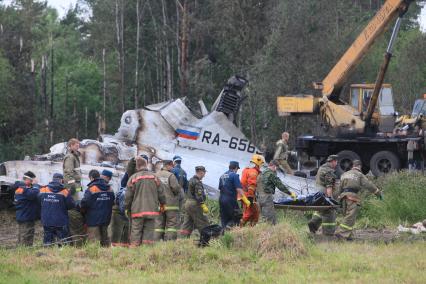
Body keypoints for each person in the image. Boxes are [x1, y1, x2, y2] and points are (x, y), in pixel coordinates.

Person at [335, 160, 381, 240]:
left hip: (343, 197)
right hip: (352, 197)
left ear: (353, 165)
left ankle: (348, 235)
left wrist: (335, 199)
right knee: (350, 216)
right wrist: (377, 192)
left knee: (346, 215)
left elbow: (339, 188)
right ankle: (341, 233)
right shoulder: (359, 174)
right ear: (359, 166)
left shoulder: (344, 174)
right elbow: (368, 184)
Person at [125, 157, 166, 247]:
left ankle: (134, 252)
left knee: (136, 231)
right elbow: (161, 193)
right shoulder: (154, 177)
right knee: (149, 232)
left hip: (137, 211)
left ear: (137, 167)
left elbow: (128, 196)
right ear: (146, 165)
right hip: (152, 210)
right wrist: (163, 204)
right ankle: (146, 252)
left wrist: (127, 208)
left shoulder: (133, 178)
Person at [81, 170, 115, 247]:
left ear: (91, 178)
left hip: (93, 220)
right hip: (106, 219)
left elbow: (84, 203)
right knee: (105, 243)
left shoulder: (92, 188)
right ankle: (107, 258)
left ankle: (94, 258)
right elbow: (112, 202)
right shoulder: (110, 188)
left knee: (94, 244)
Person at [39, 173, 75, 245]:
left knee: (48, 242)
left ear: (52, 179)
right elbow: (71, 205)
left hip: (47, 220)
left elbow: (39, 201)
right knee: (64, 242)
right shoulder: (65, 192)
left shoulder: (43, 190)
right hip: (60, 221)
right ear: (61, 180)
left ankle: (47, 254)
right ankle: (62, 254)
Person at [257, 160, 297, 225]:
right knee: (269, 218)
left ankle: (264, 230)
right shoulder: (271, 174)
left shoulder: (262, 173)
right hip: (267, 197)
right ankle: (269, 232)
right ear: (274, 166)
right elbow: (280, 186)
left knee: (263, 217)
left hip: (259, 197)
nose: (276, 170)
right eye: (276, 168)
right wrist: (290, 193)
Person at [307, 155, 338, 235]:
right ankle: (328, 232)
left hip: (317, 194)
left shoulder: (321, 168)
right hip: (324, 194)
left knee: (320, 210)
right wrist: (330, 199)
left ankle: (313, 223)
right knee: (330, 211)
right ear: (333, 161)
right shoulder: (329, 171)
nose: (337, 164)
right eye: (336, 162)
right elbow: (329, 186)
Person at [63, 138, 85, 245]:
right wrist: (70, 187)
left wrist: (78, 188)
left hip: (77, 186)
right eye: (76, 145)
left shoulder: (75, 156)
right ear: (71, 145)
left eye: (78, 145)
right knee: (73, 208)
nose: (78, 147)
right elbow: (68, 173)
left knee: (78, 201)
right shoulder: (70, 157)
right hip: (73, 187)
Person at [155, 160, 182, 241]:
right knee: (171, 224)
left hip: (159, 205)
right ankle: (169, 242)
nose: (173, 168)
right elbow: (176, 189)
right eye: (172, 166)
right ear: (168, 165)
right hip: (171, 205)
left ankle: (156, 241)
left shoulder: (155, 175)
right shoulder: (171, 175)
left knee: (158, 224)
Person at [180, 166, 210, 237]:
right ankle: (206, 239)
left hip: (187, 203)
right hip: (194, 204)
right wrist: (203, 205)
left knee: (187, 223)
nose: (204, 175)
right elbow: (199, 195)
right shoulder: (197, 182)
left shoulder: (191, 180)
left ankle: (182, 239)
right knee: (202, 222)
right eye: (204, 173)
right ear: (201, 172)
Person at [218, 161, 250, 229]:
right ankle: (230, 231)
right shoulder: (234, 175)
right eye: (237, 169)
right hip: (230, 200)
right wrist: (245, 200)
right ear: (235, 168)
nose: (237, 170)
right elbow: (239, 189)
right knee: (237, 217)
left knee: (224, 218)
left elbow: (220, 188)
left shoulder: (222, 176)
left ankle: (223, 233)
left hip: (221, 200)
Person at [14, 171, 40, 246]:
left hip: (22, 214)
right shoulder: (23, 189)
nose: (32, 182)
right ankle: (26, 252)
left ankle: (21, 250)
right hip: (26, 216)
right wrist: (36, 185)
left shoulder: (20, 187)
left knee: (22, 235)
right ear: (27, 179)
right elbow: (33, 194)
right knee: (26, 235)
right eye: (31, 181)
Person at [240, 154, 265, 227]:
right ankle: (240, 227)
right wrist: (250, 198)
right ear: (258, 162)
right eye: (262, 163)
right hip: (248, 195)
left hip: (246, 194)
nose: (262, 165)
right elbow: (252, 185)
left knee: (255, 213)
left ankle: (251, 228)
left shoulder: (247, 169)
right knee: (248, 213)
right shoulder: (253, 172)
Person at [171, 155, 188, 230]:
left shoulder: (173, 171)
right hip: (182, 193)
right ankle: (177, 227)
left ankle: (171, 226)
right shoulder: (184, 172)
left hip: (174, 192)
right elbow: (186, 185)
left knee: (171, 210)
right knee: (179, 210)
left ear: (174, 162)